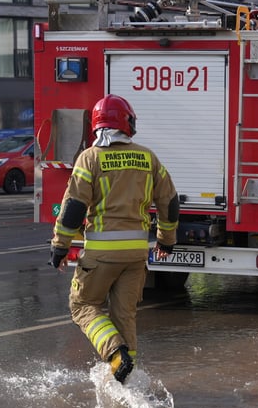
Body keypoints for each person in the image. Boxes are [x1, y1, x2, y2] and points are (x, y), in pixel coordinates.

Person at [48, 94, 180, 384]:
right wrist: (166, 241)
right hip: (135, 256)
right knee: (124, 316)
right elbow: (170, 202)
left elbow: (73, 208)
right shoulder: (147, 157)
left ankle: (116, 356)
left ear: (97, 126)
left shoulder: (90, 158)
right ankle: (125, 380)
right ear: (127, 123)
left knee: (82, 306)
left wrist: (60, 247)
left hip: (102, 254)